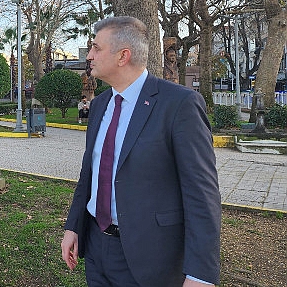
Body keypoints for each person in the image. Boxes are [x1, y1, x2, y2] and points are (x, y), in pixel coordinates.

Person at [60, 16, 221, 286]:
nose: (89, 55)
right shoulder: (100, 105)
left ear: (123, 55)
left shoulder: (179, 105)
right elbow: (90, 173)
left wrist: (200, 275)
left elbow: (202, 194)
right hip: (96, 248)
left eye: (96, 48)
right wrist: (74, 226)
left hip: (151, 257)